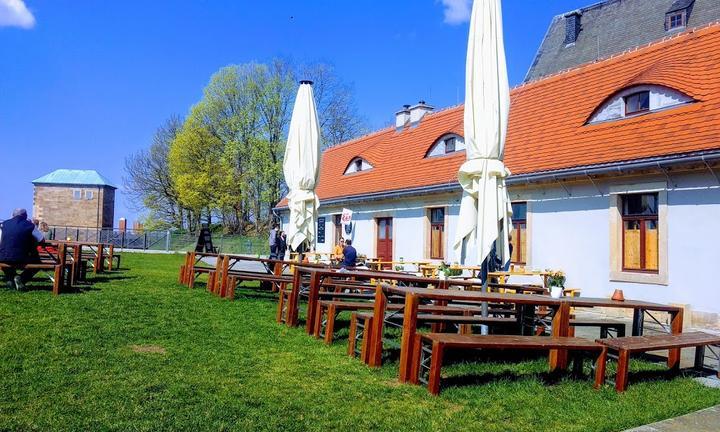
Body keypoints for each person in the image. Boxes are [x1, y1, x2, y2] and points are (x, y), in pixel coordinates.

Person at [0, 209, 45, 291]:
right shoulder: (30, 225)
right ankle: (21, 278)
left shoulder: (3, 224)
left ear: (12, 215)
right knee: (37, 263)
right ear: (25, 216)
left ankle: (11, 278)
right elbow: (42, 240)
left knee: (5, 262)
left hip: (3, 256)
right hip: (22, 257)